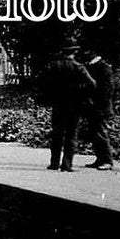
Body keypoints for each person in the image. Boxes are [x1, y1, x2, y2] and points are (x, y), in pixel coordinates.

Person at [38, 40, 95, 172]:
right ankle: (67, 164)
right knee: (71, 134)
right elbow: (92, 84)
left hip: (57, 104)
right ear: (74, 52)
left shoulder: (52, 66)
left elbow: (42, 83)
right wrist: (81, 91)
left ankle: (54, 163)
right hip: (74, 105)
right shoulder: (78, 67)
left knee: (57, 134)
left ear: (62, 51)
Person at [81, 50, 115, 170]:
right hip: (94, 107)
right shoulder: (93, 66)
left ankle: (107, 161)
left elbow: (107, 90)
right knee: (95, 133)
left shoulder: (103, 67)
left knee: (101, 133)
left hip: (101, 107)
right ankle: (100, 158)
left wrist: (98, 104)